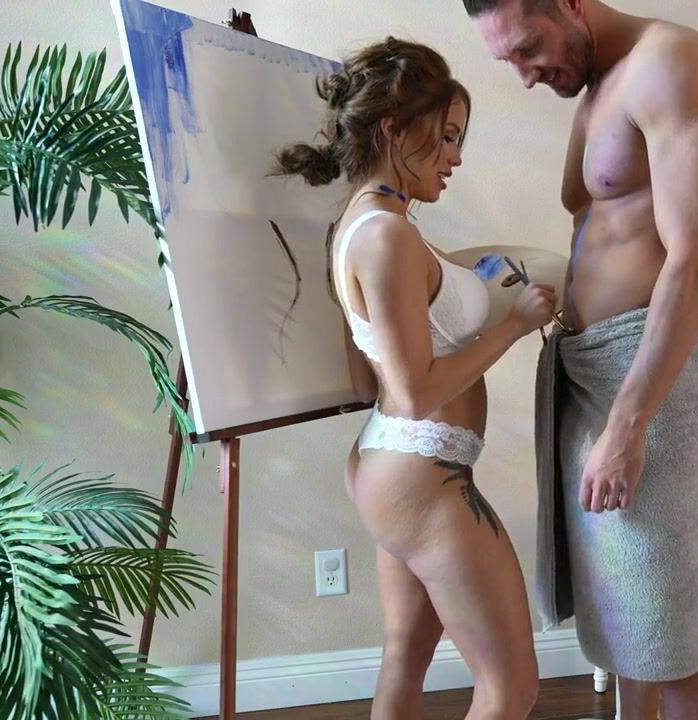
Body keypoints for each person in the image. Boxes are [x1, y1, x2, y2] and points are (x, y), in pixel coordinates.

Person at [461, 1, 698, 718]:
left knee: (669, 637)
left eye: (530, 47)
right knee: (624, 617)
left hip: (646, 380)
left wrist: (628, 424)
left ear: (572, 4)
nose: (527, 76)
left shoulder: (671, 64)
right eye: (510, 62)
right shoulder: (598, 82)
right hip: (590, 371)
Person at [274, 37, 557, 720]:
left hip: (399, 469)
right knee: (511, 687)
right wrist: (513, 325)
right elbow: (412, 393)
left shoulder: (363, 225)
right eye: (447, 136)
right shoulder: (388, 237)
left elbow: (367, 381)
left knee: (406, 656)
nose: (456, 157)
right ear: (395, 129)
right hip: (423, 477)